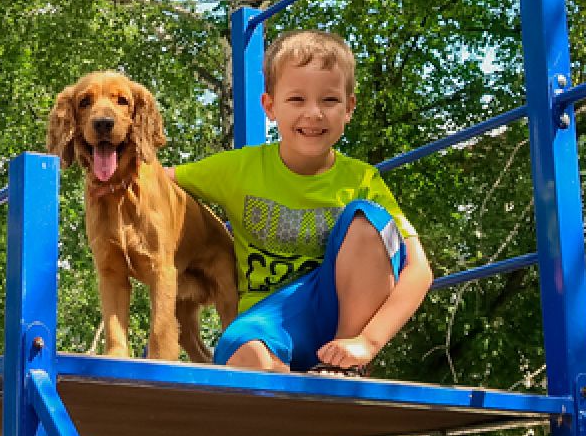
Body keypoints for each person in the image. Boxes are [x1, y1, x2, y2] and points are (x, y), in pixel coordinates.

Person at [172, 29, 432, 375]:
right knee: (242, 352)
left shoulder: (362, 180)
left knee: (367, 218)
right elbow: (155, 180)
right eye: (296, 99)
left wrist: (368, 341)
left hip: (340, 315)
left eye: (329, 100)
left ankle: (344, 365)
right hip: (270, 319)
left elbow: (419, 269)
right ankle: (285, 377)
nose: (313, 113)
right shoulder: (238, 169)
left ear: (349, 108)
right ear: (270, 107)